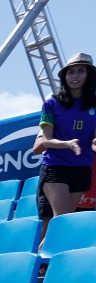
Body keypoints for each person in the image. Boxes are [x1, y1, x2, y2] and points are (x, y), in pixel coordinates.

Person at [33, 52, 96, 234]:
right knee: (61, 219)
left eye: (80, 71)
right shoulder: (52, 103)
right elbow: (45, 140)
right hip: (55, 166)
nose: (74, 76)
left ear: (89, 75)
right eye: (71, 72)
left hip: (82, 168)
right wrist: (67, 144)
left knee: (64, 224)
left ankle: (41, 261)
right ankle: (38, 262)